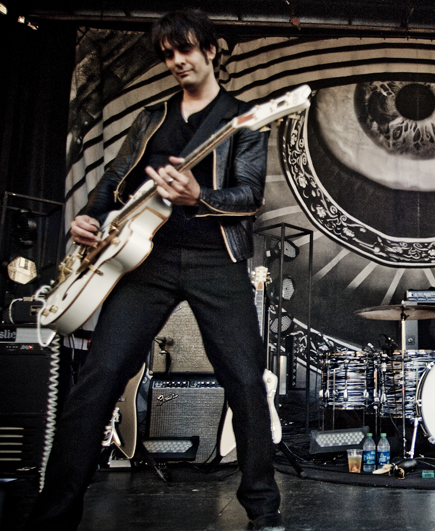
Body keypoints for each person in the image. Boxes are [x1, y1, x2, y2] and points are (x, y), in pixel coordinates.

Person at [26, 9, 284, 531]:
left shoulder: (243, 119)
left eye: (186, 50)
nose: (177, 61)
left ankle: (264, 511)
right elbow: (114, 180)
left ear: (212, 50)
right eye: (168, 54)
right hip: (146, 261)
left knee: (246, 385)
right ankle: (52, 517)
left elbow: (250, 195)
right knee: (97, 380)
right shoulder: (152, 117)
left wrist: (200, 197)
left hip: (219, 261)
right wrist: (91, 218)